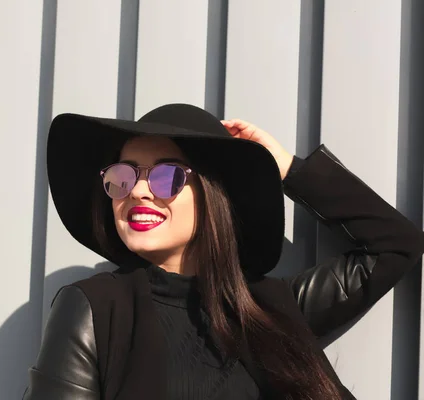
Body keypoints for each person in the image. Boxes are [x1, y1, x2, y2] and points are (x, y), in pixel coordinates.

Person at [23, 104, 424, 399]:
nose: (139, 191)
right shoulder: (95, 309)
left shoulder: (274, 307)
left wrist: (285, 167)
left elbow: (396, 244)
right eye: (123, 175)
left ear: (214, 195)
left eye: (166, 176)